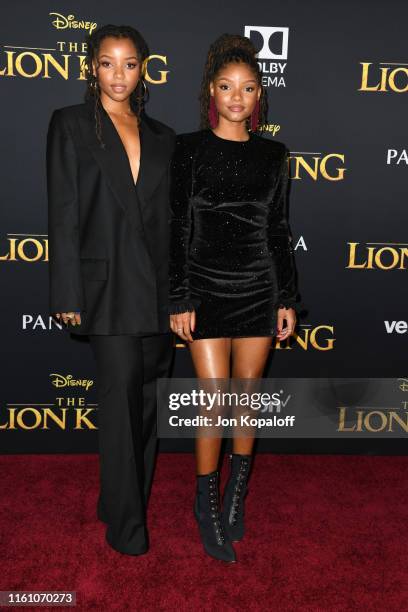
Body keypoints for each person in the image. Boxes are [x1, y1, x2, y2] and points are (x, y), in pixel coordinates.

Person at [168, 34, 302, 563]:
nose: (237, 97)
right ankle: (205, 502)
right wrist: (179, 296)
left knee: (246, 399)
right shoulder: (189, 149)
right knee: (213, 398)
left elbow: (279, 229)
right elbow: (178, 226)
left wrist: (285, 297)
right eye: (227, 87)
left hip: (258, 290)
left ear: (259, 96)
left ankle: (235, 499)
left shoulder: (274, 155)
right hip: (203, 288)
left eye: (248, 88)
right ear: (211, 93)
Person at [46, 24, 175, 555]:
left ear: (143, 69)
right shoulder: (71, 124)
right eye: (107, 62)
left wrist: (184, 298)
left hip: (159, 294)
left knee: (147, 409)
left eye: (128, 63)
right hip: (105, 290)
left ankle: (119, 501)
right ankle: (128, 529)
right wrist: (67, 294)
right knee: (120, 410)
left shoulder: (165, 137)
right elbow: (64, 212)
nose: (118, 74)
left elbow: (172, 224)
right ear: (91, 68)